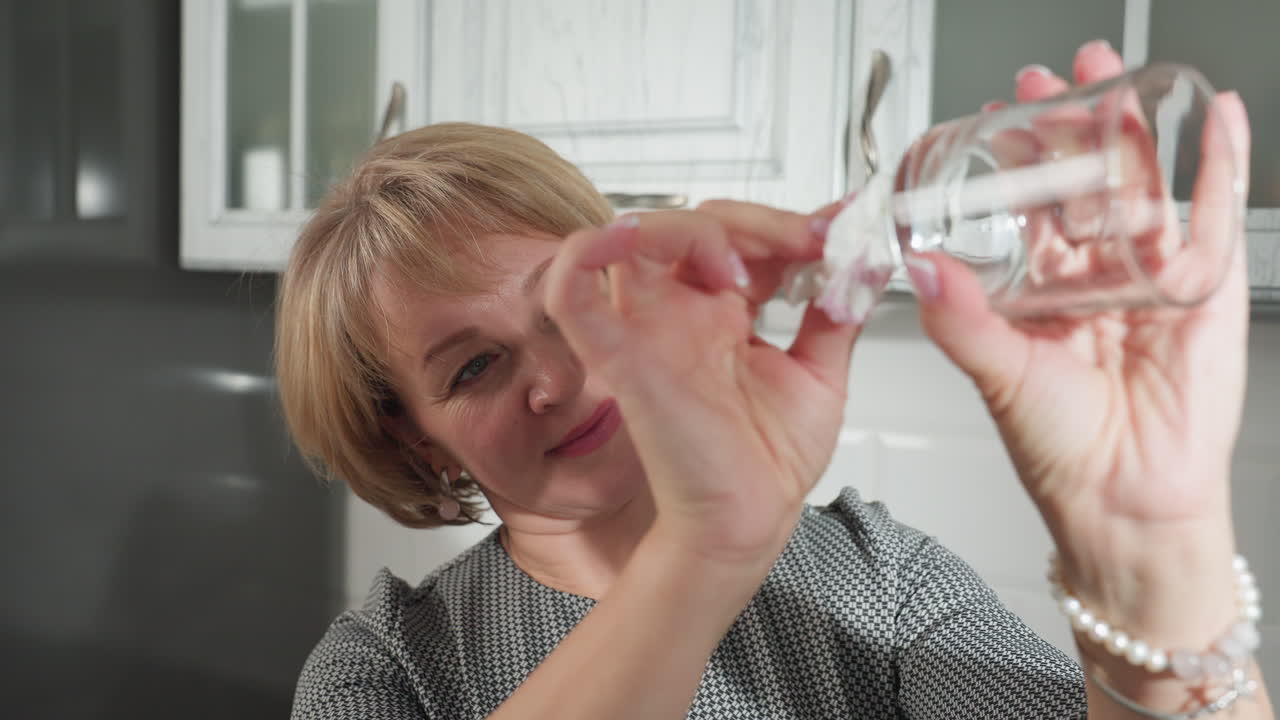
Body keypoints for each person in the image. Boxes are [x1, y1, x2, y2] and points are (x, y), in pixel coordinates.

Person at [278, 42, 1272, 719]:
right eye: (475, 366)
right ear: (410, 433)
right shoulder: (387, 667)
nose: (555, 375)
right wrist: (708, 546)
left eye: (565, 305)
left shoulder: (872, 574)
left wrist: (1150, 549)